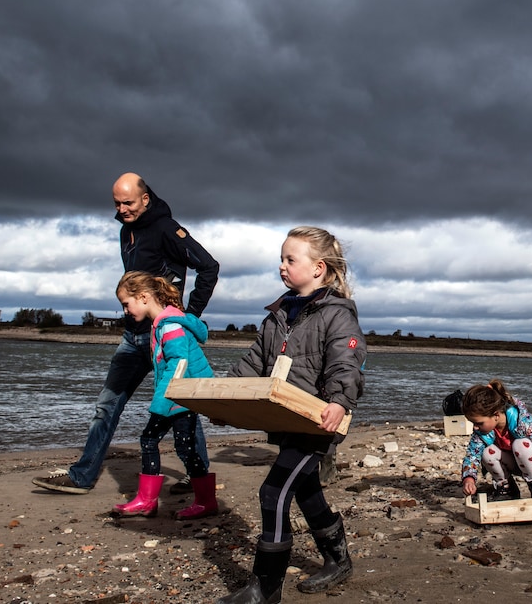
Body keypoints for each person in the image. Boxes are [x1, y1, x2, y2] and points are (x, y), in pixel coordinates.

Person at [33, 173, 220, 495]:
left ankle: (197, 475)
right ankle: (82, 476)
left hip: (164, 336)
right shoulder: (125, 231)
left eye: (128, 202)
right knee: (107, 405)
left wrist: (188, 316)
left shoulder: (166, 228)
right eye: (117, 203)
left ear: (145, 199)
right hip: (133, 338)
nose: (121, 209)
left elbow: (209, 266)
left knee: (181, 405)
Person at [218, 226, 366, 604]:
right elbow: (254, 361)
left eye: (290, 259)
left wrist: (339, 400)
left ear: (318, 267)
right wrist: (224, 398)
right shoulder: (278, 314)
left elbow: (345, 362)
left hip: (317, 419)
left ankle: (265, 588)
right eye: (281, 259)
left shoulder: (337, 314)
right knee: (306, 489)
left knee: (273, 491)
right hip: (285, 417)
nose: (281, 266)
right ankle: (338, 559)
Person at [110, 271, 218, 520]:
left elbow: (178, 363)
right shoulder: (164, 322)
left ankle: (149, 501)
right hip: (181, 395)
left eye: (126, 304)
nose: (125, 310)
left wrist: (162, 400)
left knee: (153, 440)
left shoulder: (168, 325)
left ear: (144, 297)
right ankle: (202, 500)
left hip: (179, 395)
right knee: (185, 447)